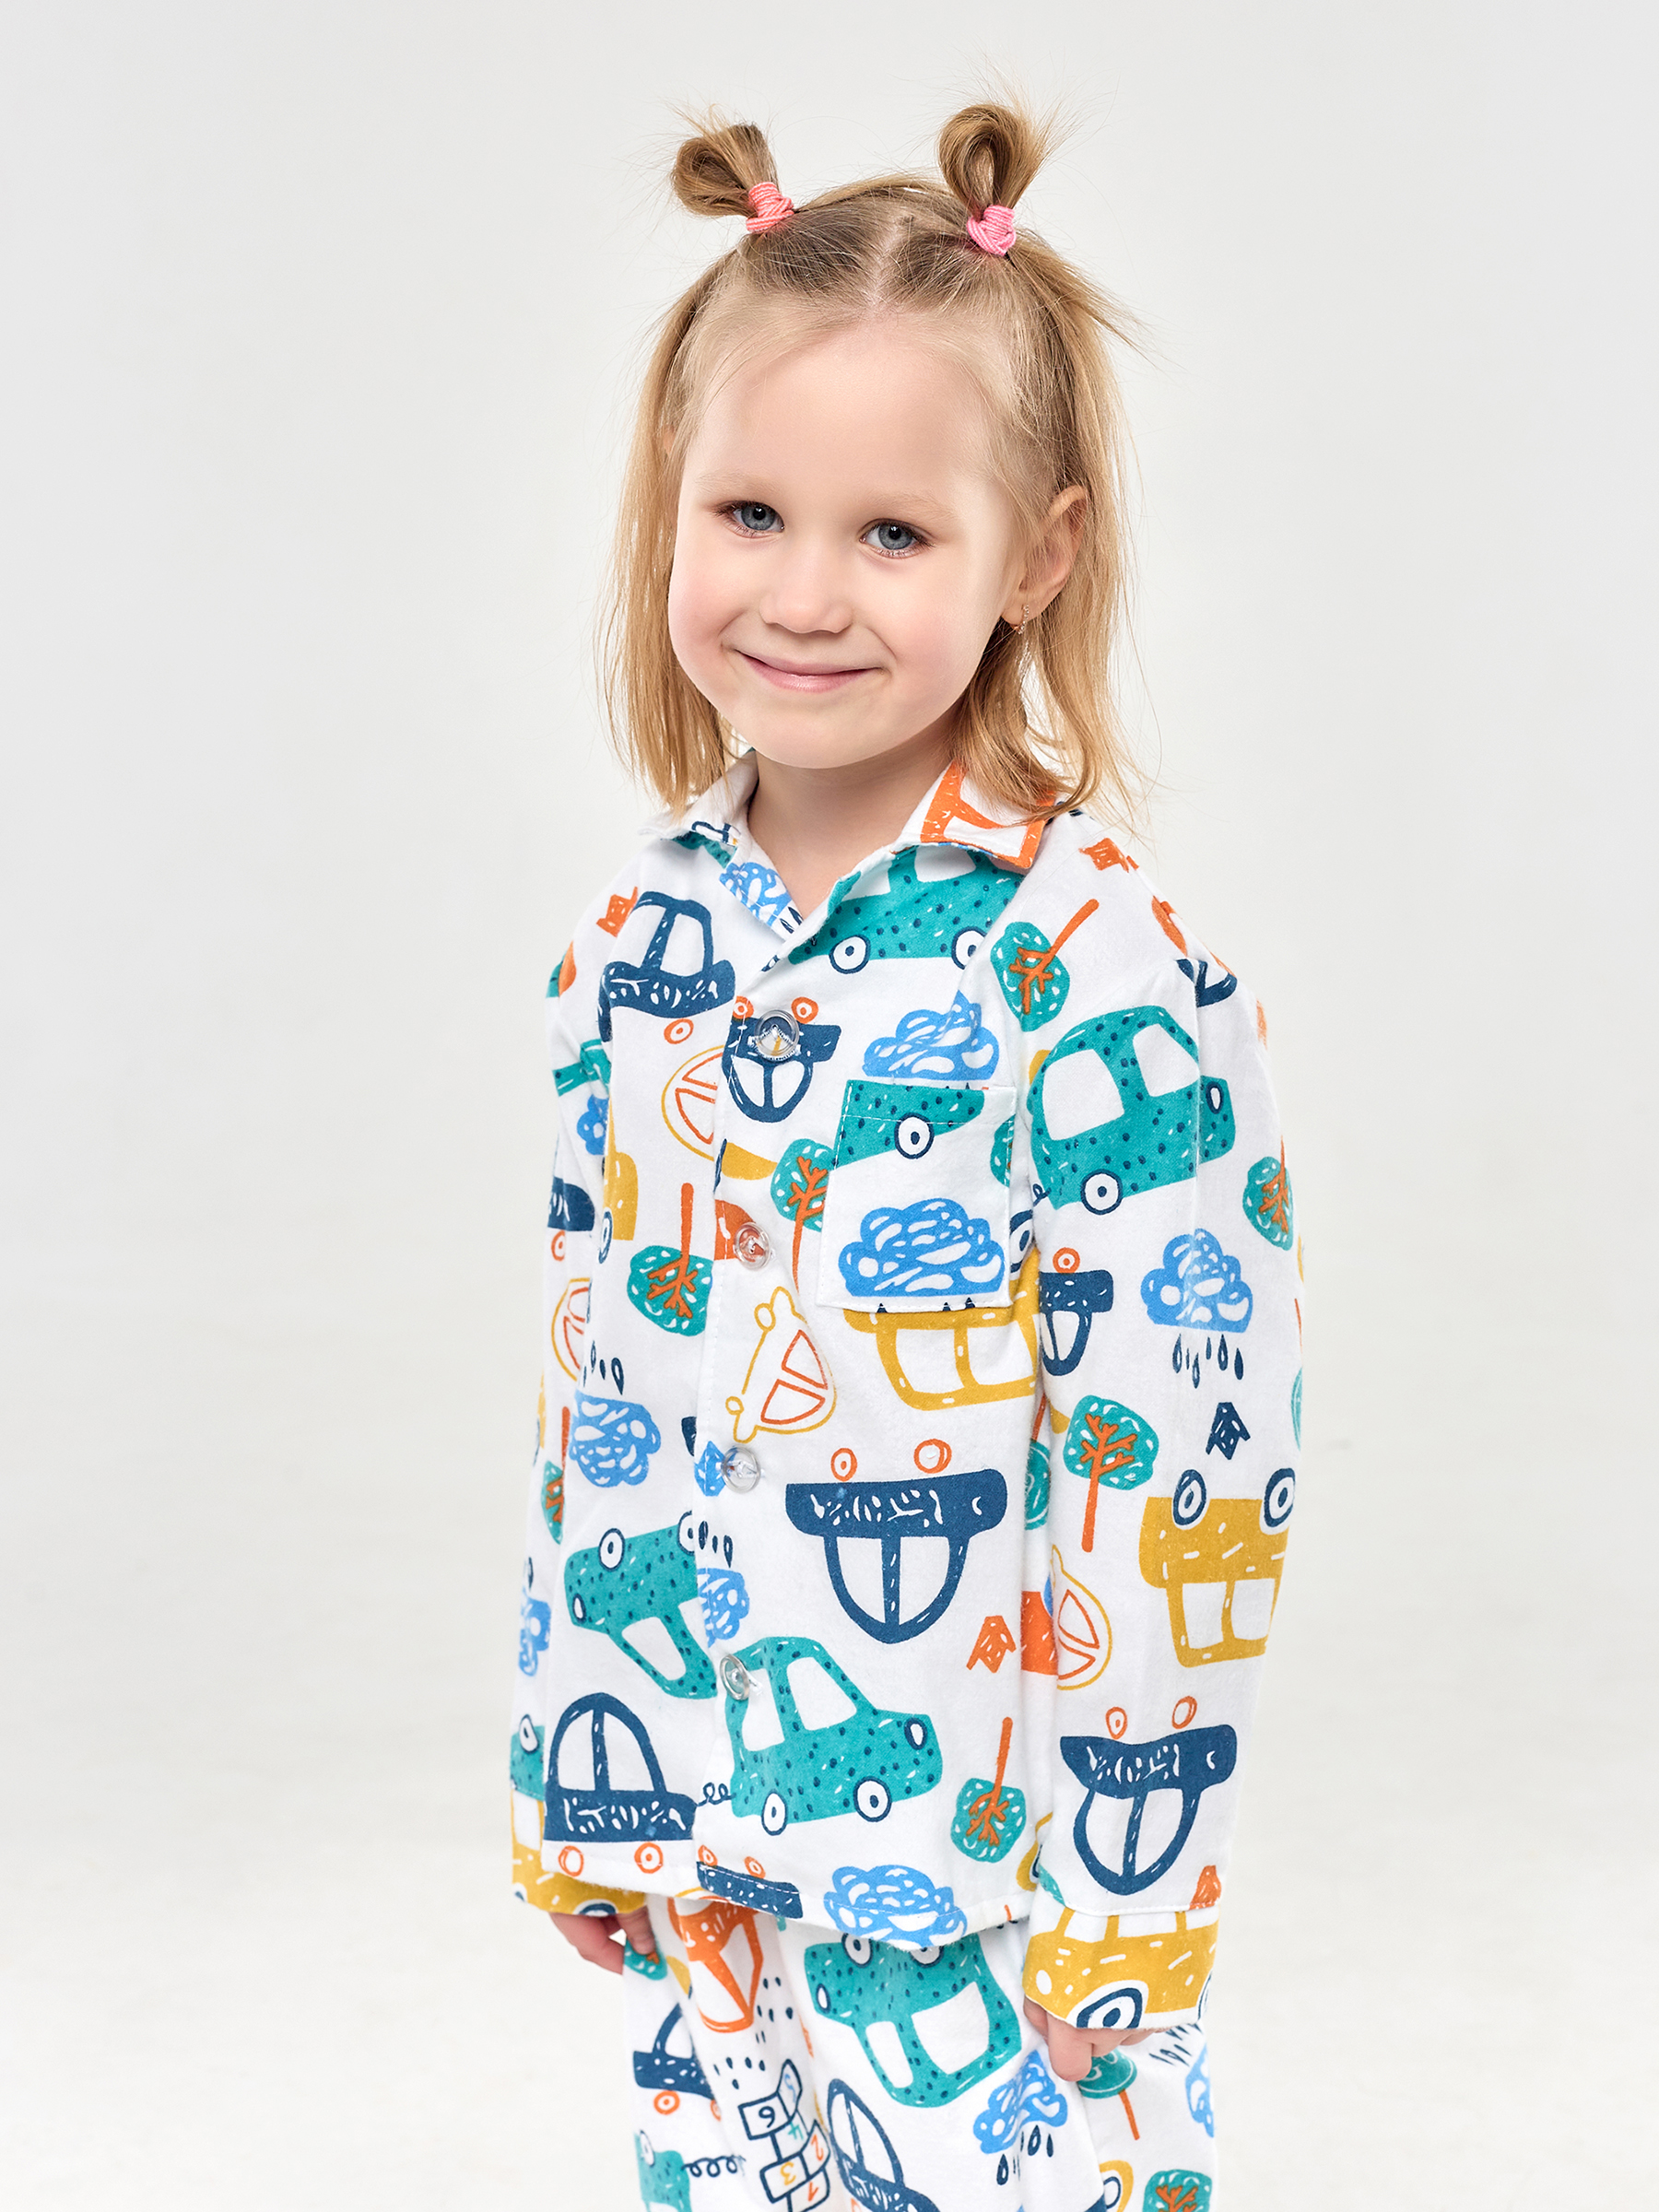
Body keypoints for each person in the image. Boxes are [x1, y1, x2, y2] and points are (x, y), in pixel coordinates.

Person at [510, 96, 1302, 2212]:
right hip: (704, 1834)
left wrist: (1132, 1885)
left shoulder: (1100, 972)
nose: (803, 594)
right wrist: (579, 1762)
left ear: (1035, 554)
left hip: (991, 1878)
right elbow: (604, 1383)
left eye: (891, 535)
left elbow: (1186, 1450)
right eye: (751, 513)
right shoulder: (635, 949)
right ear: (669, 506)